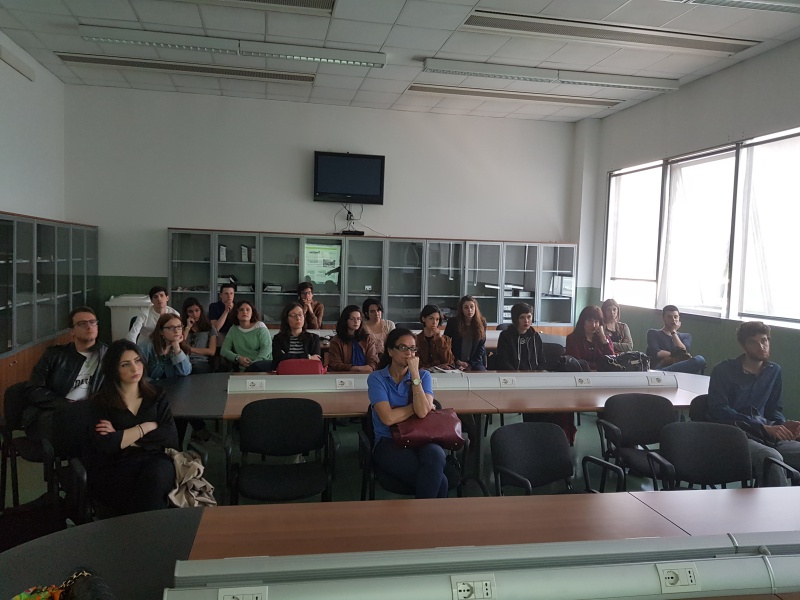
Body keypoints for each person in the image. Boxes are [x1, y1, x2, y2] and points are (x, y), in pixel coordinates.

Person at [86, 339, 179, 515]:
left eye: (137, 361)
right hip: (116, 464)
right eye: (125, 364)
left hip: (155, 459)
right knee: (138, 489)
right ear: (114, 369)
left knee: (155, 477)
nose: (135, 368)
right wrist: (146, 427)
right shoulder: (100, 402)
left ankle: (142, 527)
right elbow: (105, 444)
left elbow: (170, 436)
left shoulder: (156, 395)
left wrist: (122, 437)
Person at [706, 321, 800, 487]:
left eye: (764, 340)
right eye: (753, 342)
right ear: (743, 346)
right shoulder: (723, 370)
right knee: (771, 458)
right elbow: (719, 410)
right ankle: (778, 504)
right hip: (734, 436)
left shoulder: (774, 371)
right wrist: (762, 426)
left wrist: (783, 426)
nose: (761, 346)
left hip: (765, 435)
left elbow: (774, 409)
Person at [367, 328, 448, 499]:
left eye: (412, 348)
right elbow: (388, 418)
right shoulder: (377, 378)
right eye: (403, 348)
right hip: (388, 440)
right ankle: (427, 515)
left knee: (436, 455)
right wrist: (417, 407)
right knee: (441, 482)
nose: (409, 353)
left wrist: (415, 374)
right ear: (390, 351)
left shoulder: (423, 376)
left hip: (421, 436)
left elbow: (422, 412)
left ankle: (420, 515)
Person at [22, 307, 108, 441]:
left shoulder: (109, 356)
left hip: (91, 412)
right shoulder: (54, 355)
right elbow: (34, 389)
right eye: (82, 323)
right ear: (72, 331)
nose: (89, 326)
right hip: (57, 412)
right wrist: (65, 404)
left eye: (93, 322)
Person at [646, 305, 706, 374]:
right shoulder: (653, 333)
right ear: (663, 318)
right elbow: (656, 353)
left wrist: (673, 332)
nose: (673, 320)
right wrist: (678, 356)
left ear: (679, 318)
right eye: (669, 317)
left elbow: (683, 352)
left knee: (700, 359)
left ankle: (662, 373)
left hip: (680, 366)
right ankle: (660, 372)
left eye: (675, 317)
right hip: (661, 366)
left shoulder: (686, 336)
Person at [220, 300, 273, 372]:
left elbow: (266, 349)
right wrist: (238, 358)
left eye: (248, 310)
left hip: (262, 366)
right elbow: (224, 350)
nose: (245, 312)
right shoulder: (233, 329)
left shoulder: (260, 327)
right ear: (236, 313)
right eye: (241, 310)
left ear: (252, 313)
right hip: (243, 368)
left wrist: (255, 364)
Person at [138, 313, 192, 380]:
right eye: (171, 328)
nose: (176, 331)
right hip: (151, 385)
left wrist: (177, 348)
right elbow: (140, 376)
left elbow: (185, 372)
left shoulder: (181, 345)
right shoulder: (146, 346)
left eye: (179, 327)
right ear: (161, 331)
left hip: (174, 385)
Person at [495, 303, 548, 371]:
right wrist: (517, 374)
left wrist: (536, 373)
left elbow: (542, 361)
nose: (526, 321)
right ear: (515, 319)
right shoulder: (505, 336)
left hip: (533, 374)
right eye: (522, 317)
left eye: (529, 317)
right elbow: (503, 362)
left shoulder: (535, 336)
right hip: (512, 374)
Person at [271, 301, 322, 371]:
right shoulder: (278, 339)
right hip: (285, 373)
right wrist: (308, 357)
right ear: (286, 319)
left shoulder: (313, 338)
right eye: (293, 315)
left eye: (300, 315)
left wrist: (287, 357)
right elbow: (278, 360)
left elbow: (316, 361)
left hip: (308, 373)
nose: (298, 318)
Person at [327, 305, 379, 373]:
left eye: (358, 319)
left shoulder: (367, 338)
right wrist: (354, 368)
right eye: (352, 319)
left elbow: (374, 359)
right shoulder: (337, 340)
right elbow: (335, 364)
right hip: (344, 375)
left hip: (366, 374)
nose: (356, 322)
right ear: (345, 320)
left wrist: (371, 367)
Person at [443, 295, 487, 371]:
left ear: (475, 308)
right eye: (466, 307)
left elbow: (481, 347)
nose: (469, 310)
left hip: (475, 362)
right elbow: (446, 344)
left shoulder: (482, 322)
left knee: (481, 373)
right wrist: (457, 361)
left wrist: (470, 364)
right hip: (455, 360)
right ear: (461, 309)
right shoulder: (453, 322)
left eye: (472, 307)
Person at [565, 305, 615, 371]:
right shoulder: (573, 338)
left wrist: (604, 340)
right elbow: (577, 363)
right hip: (582, 374)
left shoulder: (605, 339)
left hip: (602, 374)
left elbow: (611, 361)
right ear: (582, 322)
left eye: (596, 321)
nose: (593, 325)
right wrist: (600, 365)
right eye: (589, 321)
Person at [181, 297, 218, 375]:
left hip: (200, 362)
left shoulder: (210, 328)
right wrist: (188, 327)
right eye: (190, 312)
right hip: (183, 360)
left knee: (196, 369)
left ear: (201, 311)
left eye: (197, 310)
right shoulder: (181, 328)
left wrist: (190, 349)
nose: (194, 314)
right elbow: (180, 344)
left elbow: (212, 351)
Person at [415, 304, 454, 370]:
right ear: (423, 319)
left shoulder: (446, 339)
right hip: (422, 374)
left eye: (437, 319)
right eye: (431, 318)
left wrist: (440, 340)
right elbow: (417, 364)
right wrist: (437, 365)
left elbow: (449, 362)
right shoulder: (415, 340)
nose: (434, 322)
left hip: (441, 374)